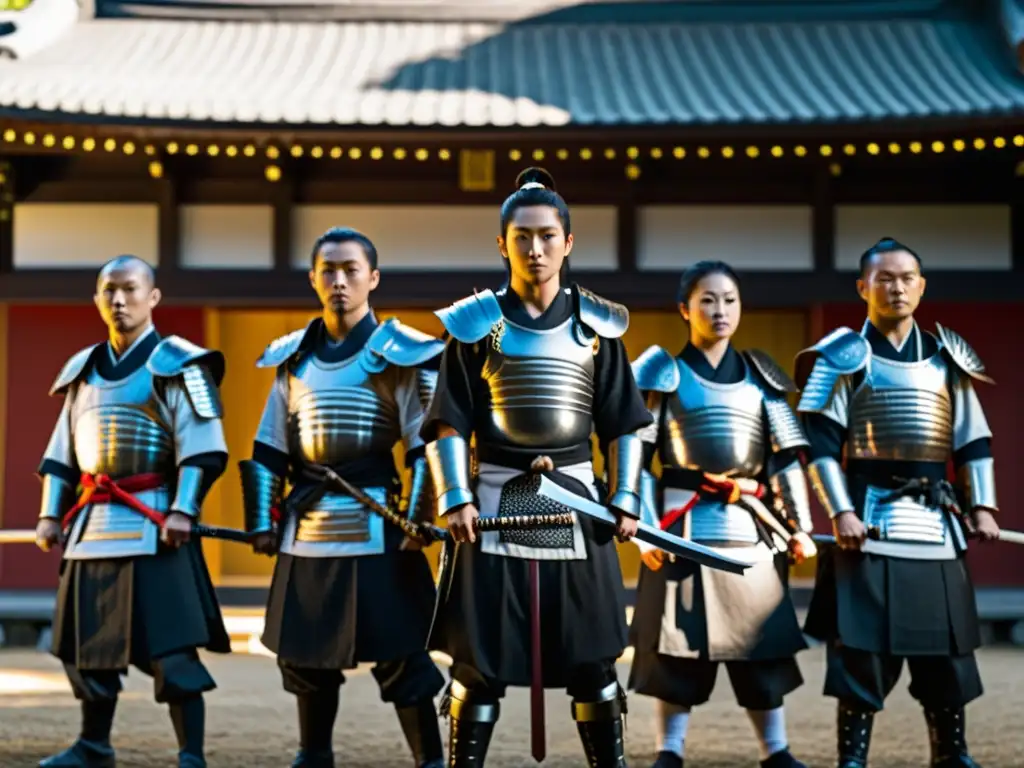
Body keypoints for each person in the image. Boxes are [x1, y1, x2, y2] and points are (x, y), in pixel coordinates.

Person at [419, 166, 652, 767]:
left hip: (579, 502)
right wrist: (455, 498)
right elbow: (448, 422)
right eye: (522, 236)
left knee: (594, 657)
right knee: (478, 662)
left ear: (568, 242)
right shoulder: (475, 325)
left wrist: (626, 496)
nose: (535, 248)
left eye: (548, 235)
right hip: (493, 500)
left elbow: (624, 421)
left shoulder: (598, 325)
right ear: (502, 244)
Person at [240, 227, 446, 768]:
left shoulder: (399, 352)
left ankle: (429, 759)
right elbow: (269, 448)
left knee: (403, 652)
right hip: (306, 527)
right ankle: (314, 754)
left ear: (373, 279)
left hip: (379, 520)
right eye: (328, 271)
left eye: (351, 270)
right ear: (313, 279)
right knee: (305, 655)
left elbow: (425, 443)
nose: (339, 280)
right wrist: (263, 519)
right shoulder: (293, 359)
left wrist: (418, 518)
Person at [795, 237, 1000, 768]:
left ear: (922, 285)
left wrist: (983, 507)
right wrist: (840, 511)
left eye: (907, 276)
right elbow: (817, 444)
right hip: (867, 515)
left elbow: (972, 440)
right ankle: (853, 759)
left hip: (938, 519)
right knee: (860, 650)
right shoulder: (841, 356)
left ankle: (952, 753)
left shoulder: (947, 359)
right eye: (884, 278)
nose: (897, 286)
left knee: (949, 651)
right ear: (863, 287)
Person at [33, 255, 230, 768]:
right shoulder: (81, 371)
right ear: (98, 299)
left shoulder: (180, 363)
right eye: (108, 292)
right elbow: (60, 455)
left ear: (153, 297)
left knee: (172, 649)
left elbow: (200, 445)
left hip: (156, 520)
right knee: (85, 644)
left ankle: (191, 754)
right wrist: (50, 514)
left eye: (129, 290)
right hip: (92, 522)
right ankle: (93, 746)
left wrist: (185, 508)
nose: (119, 301)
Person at [627, 261, 814, 768]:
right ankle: (670, 749)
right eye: (708, 299)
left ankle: (775, 750)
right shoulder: (661, 372)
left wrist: (800, 527)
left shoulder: (761, 378)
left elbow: (783, 460)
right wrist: (644, 532)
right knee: (676, 651)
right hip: (679, 526)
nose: (720, 310)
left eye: (729, 299)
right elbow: (638, 462)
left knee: (762, 648)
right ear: (684, 308)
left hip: (750, 525)